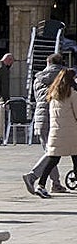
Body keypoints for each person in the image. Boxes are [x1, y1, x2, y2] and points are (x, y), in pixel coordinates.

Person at [22, 53, 69, 195]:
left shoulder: (38, 78)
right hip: (57, 117)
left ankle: (56, 183)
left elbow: (38, 98)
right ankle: (33, 176)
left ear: (47, 63)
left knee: (50, 151)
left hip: (40, 117)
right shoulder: (64, 77)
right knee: (53, 152)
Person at [31, 67, 77, 198]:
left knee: (53, 160)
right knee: (76, 158)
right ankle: (40, 184)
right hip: (71, 132)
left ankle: (40, 185)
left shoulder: (53, 93)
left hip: (56, 131)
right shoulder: (72, 93)